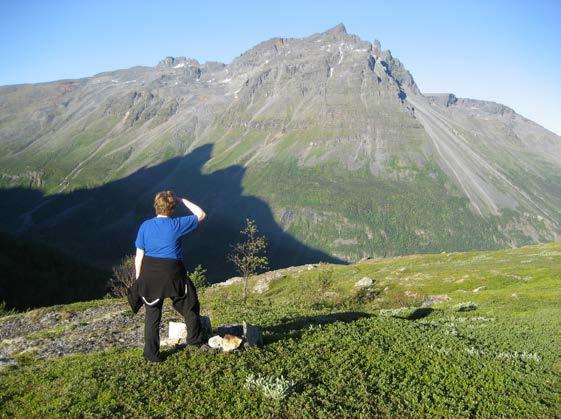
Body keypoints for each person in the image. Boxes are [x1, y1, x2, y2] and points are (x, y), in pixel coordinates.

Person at [134, 190, 207, 362]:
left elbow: (139, 255)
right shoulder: (176, 224)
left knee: (152, 315)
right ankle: (194, 341)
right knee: (190, 304)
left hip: (150, 274)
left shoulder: (145, 226)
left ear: (156, 207)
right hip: (173, 273)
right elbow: (201, 214)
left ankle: (151, 355)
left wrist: (139, 280)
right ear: (172, 208)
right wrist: (183, 200)